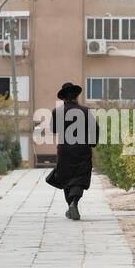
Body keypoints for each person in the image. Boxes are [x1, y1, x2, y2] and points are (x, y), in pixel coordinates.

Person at [48, 82, 99, 220]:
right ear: (76, 97)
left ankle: (71, 205)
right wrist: (92, 143)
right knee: (79, 178)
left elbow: (53, 129)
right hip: (82, 149)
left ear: (64, 98)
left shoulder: (57, 111)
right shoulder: (85, 111)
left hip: (65, 151)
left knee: (66, 178)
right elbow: (95, 129)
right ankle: (74, 203)